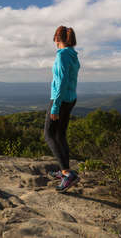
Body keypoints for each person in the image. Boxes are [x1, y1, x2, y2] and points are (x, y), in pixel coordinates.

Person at [44, 25, 80, 192]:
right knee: (60, 134)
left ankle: (66, 173)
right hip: (71, 98)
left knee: (49, 134)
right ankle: (66, 170)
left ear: (57, 39)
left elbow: (62, 82)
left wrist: (55, 107)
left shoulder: (62, 56)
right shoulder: (73, 56)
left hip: (60, 99)